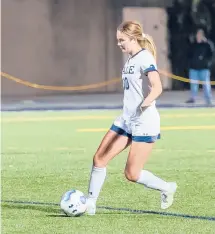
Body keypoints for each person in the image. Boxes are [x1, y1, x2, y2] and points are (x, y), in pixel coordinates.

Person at [86, 21, 177, 215]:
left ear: (133, 39)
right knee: (99, 159)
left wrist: (145, 103)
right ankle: (90, 203)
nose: (119, 44)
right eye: (118, 40)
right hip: (126, 119)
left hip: (144, 121)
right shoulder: (130, 58)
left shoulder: (144, 57)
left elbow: (157, 86)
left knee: (132, 174)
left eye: (122, 40)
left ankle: (167, 188)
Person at [186, 28, 214, 105]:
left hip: (204, 68)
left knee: (206, 85)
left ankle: (208, 100)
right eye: (198, 34)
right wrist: (191, 63)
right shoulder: (193, 44)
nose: (199, 36)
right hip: (194, 68)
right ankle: (193, 98)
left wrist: (207, 63)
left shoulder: (207, 44)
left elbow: (211, 54)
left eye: (200, 34)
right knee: (193, 85)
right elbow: (189, 54)